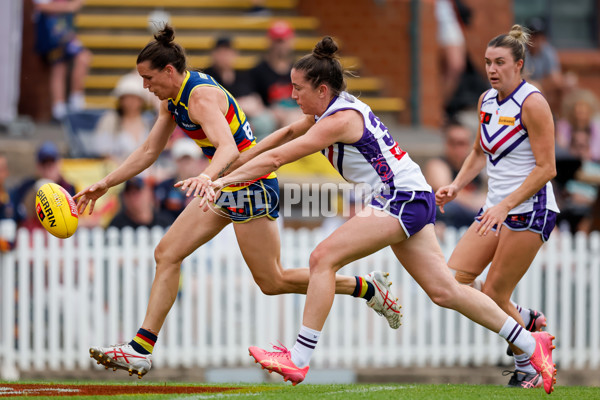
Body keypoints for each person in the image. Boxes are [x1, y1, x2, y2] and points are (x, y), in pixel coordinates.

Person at [207, 36, 557, 394]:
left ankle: (298, 358)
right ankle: (531, 345)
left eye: (298, 89)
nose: (292, 95)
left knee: (322, 258)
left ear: (322, 89)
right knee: (445, 291)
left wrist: (221, 181)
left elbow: (278, 158)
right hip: (409, 196)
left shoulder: (338, 119)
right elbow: (283, 134)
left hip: (399, 198)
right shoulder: (327, 112)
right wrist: (234, 162)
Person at [74, 25, 401, 379]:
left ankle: (366, 287)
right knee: (167, 253)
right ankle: (141, 348)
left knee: (272, 281)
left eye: (148, 77)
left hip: (250, 185)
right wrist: (105, 184)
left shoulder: (198, 96)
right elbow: (150, 150)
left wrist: (207, 177)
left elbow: (228, 148)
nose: (144, 86)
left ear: (170, 71)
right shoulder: (172, 100)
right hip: (224, 184)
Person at [435, 25, 559, 389]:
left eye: (500, 62)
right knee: (451, 283)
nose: (492, 69)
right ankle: (526, 321)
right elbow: (478, 151)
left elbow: (547, 168)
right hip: (495, 208)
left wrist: (505, 205)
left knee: (492, 295)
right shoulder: (486, 100)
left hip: (529, 210)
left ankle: (530, 367)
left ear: (519, 65)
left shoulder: (533, 102)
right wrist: (456, 186)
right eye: (488, 62)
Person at [244, 20, 304, 140]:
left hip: (296, 116)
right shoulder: (258, 71)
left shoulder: (300, 70)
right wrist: (271, 111)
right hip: (270, 118)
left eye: (283, 40)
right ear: (270, 42)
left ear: (291, 41)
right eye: (277, 41)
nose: (280, 45)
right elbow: (253, 100)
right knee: (262, 123)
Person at [33, 0, 92, 121]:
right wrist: (68, 7)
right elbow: (40, 6)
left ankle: (74, 101)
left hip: (66, 31)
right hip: (52, 32)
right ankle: (61, 107)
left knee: (81, 59)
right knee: (59, 67)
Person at [424, 121, 486, 230]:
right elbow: (446, 194)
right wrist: (476, 202)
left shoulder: (475, 169)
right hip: (445, 217)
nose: (457, 149)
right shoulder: (437, 165)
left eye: (462, 143)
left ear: (470, 145)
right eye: (453, 143)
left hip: (467, 219)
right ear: (446, 144)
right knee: (448, 208)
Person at [94, 72, 155, 164]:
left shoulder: (148, 121)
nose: (131, 102)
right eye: (127, 98)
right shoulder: (110, 120)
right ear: (121, 100)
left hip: (146, 172)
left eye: (134, 98)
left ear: (141, 100)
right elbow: (103, 151)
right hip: (117, 171)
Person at [12, 141, 76, 228]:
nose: (48, 169)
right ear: (38, 166)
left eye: (51, 164)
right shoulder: (26, 187)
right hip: (32, 235)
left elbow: (74, 217)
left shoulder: (68, 188)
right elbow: (19, 215)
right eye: (44, 164)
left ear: (59, 164)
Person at [154, 137, 208, 224]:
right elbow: (157, 212)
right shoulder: (164, 186)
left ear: (196, 161)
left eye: (189, 160)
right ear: (176, 161)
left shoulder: (204, 188)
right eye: (182, 160)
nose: (185, 164)